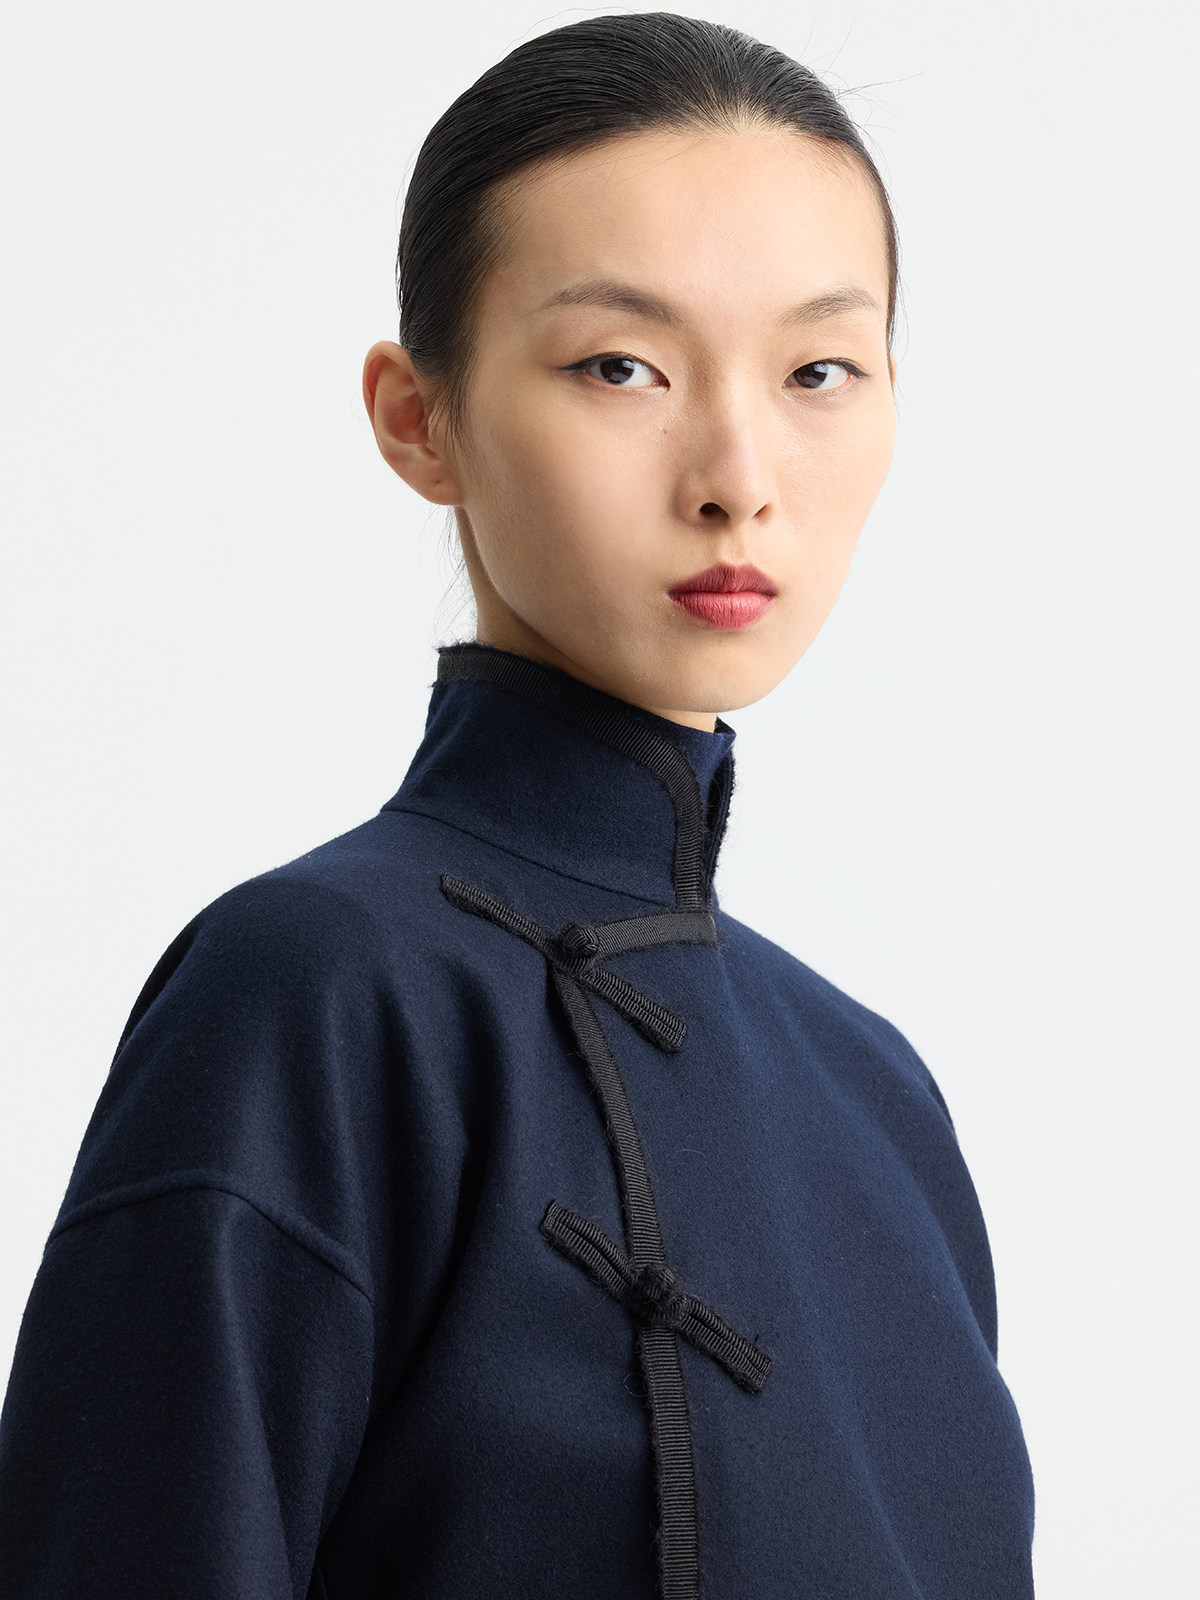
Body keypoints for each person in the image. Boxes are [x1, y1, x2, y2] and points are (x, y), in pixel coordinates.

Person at [0, 13, 1035, 1598]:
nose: (738, 474)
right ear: (419, 418)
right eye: (621, 366)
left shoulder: (881, 1100)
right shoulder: (312, 992)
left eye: (818, 370)